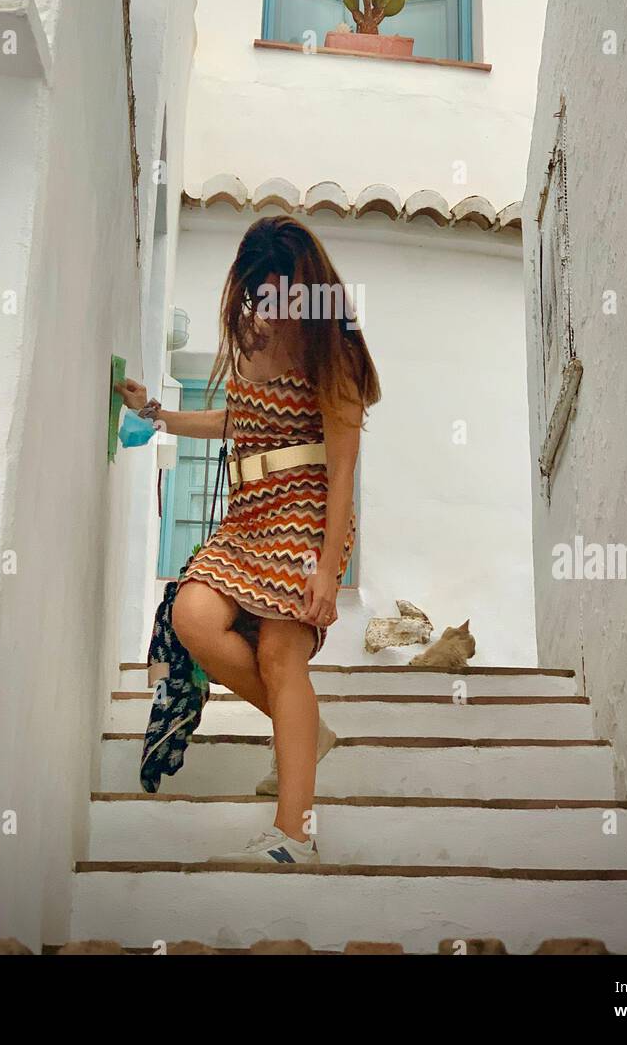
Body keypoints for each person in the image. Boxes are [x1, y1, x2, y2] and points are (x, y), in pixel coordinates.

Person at [116, 215, 380, 864]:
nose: (270, 305)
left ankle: (294, 832)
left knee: (281, 657)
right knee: (191, 615)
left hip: (306, 513)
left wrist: (327, 570)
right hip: (247, 514)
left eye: (281, 290)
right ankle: (305, 730)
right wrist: (158, 414)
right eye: (258, 291)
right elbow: (238, 420)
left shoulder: (332, 350)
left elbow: (343, 464)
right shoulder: (252, 336)